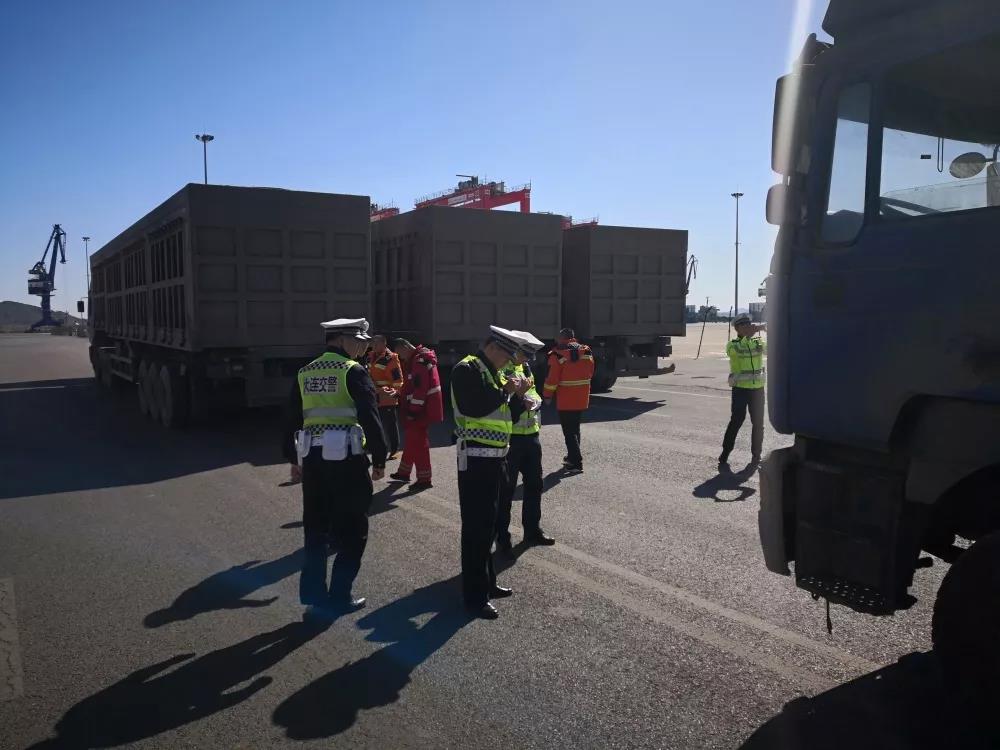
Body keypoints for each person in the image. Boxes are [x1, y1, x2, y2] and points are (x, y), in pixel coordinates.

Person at [282, 317, 387, 615]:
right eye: (359, 342)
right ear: (342, 340)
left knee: (316, 529)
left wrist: (293, 458)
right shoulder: (353, 371)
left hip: (313, 460)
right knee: (353, 530)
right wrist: (380, 457)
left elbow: (292, 417)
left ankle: (314, 596)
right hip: (346, 460)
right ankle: (340, 595)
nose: (363, 348)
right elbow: (369, 415)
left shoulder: (305, 372)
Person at [450, 326, 533, 619]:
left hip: (496, 459)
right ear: (493, 348)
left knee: (489, 526)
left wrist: (518, 397)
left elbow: (504, 414)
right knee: (476, 530)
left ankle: (487, 583)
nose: (508, 362)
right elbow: (474, 407)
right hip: (476, 459)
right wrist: (506, 391)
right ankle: (474, 597)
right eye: (507, 355)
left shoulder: (492, 372)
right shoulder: (467, 369)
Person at [496, 331, 555, 554]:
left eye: (530, 355)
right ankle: (502, 539)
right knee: (506, 491)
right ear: (515, 351)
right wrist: (521, 399)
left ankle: (532, 530)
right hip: (511, 438)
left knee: (534, 485)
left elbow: (535, 393)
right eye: (525, 354)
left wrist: (535, 402)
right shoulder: (503, 370)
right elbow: (503, 403)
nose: (528, 359)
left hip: (531, 436)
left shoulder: (526, 368)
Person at [390, 339, 444, 490]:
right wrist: (399, 394)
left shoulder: (418, 361)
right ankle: (404, 472)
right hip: (423, 408)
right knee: (413, 440)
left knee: (418, 443)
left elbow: (420, 390)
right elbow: (412, 386)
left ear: (405, 347)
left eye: (400, 354)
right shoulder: (419, 358)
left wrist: (413, 411)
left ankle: (424, 479)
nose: (401, 358)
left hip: (420, 410)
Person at [543, 327, 595, 473]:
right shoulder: (586, 351)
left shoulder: (557, 354)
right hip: (581, 397)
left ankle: (576, 462)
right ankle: (572, 456)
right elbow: (590, 372)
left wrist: (547, 396)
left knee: (569, 432)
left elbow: (552, 379)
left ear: (561, 338)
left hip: (565, 399)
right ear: (573, 337)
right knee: (575, 429)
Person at [718, 314, 767, 472]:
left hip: (757, 389)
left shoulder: (757, 342)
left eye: (749, 324)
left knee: (758, 423)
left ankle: (756, 455)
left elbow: (771, 349)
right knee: (737, 420)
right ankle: (726, 452)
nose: (748, 327)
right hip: (740, 389)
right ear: (737, 329)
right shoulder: (733, 345)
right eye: (744, 325)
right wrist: (749, 335)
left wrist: (770, 331)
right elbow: (735, 352)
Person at [366, 335, 404, 459]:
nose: (373, 346)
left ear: (384, 344)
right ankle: (375, 448)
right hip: (374, 396)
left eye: (376, 344)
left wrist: (394, 393)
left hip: (387, 398)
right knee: (374, 424)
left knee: (390, 426)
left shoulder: (390, 359)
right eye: (373, 343)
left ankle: (394, 450)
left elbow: (398, 381)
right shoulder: (370, 356)